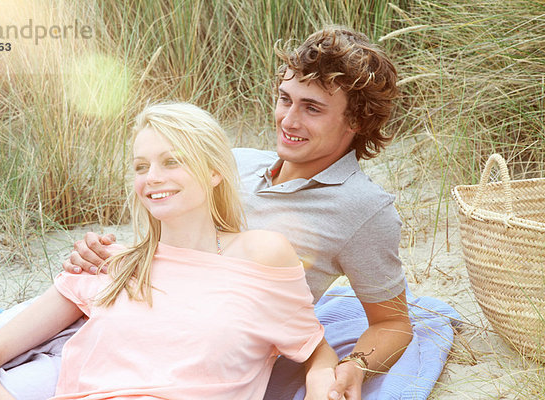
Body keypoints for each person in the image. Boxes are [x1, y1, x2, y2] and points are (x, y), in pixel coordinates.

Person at [68, 26, 413, 400]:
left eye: (312, 108)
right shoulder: (237, 162)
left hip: (204, 362)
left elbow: (392, 321)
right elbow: (165, 245)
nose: (288, 120)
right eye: (285, 99)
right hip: (125, 331)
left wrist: (355, 365)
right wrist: (101, 255)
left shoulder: (363, 208)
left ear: (356, 121)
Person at [0, 103, 340, 400]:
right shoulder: (107, 263)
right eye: (141, 166)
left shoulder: (262, 254)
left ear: (214, 171)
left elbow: (313, 347)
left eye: (172, 161)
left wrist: (323, 375)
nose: (152, 177)